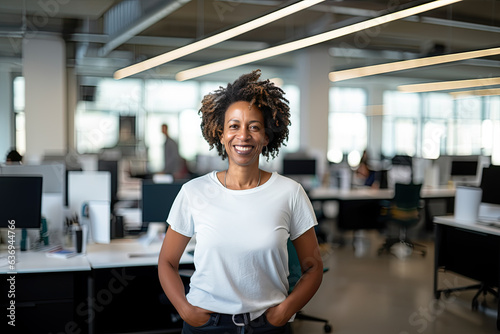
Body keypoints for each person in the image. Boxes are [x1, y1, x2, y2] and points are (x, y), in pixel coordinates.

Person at [158, 70, 323, 334]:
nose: (243, 135)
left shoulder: (290, 192)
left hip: (267, 327)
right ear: (221, 134)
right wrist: (184, 309)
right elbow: (167, 261)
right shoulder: (194, 192)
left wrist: (285, 311)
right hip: (207, 327)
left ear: (266, 136)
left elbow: (313, 266)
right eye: (234, 126)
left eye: (254, 127)